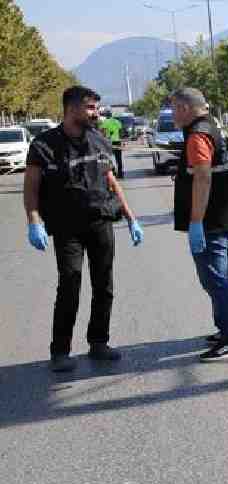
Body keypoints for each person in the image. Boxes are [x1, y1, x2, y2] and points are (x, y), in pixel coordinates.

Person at [23, 86, 144, 372]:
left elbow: (111, 180)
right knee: (70, 284)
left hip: (100, 221)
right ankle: (60, 351)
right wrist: (33, 221)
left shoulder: (99, 140)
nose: (96, 113)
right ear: (71, 108)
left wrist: (131, 217)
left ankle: (99, 342)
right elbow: (31, 187)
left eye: (96, 108)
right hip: (67, 227)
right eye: (90, 107)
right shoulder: (44, 145)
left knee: (104, 284)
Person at [169, 88, 228, 361]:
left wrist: (196, 222)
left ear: (185, 108)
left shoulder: (198, 135)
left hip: (210, 221)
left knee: (215, 280)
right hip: (221, 215)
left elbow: (203, 178)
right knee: (220, 279)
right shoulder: (214, 126)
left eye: (174, 108)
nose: (172, 114)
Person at [98, 108, 124, 178]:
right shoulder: (117, 121)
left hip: (109, 142)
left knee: (108, 158)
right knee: (118, 158)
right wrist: (121, 140)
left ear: (106, 114)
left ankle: (113, 171)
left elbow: (103, 132)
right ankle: (120, 173)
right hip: (117, 141)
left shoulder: (105, 122)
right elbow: (121, 132)